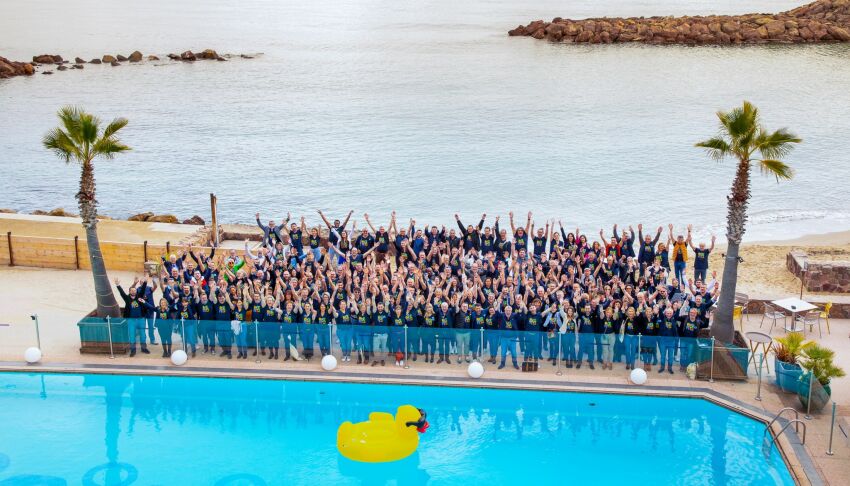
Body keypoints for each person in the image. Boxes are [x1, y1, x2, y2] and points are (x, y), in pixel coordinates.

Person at [116, 278, 150, 357]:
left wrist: (145, 281)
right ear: (129, 292)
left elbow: (143, 289)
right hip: (131, 320)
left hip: (141, 319)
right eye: (131, 290)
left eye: (134, 290)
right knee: (131, 335)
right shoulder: (127, 298)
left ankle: (144, 348)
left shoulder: (139, 297)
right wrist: (118, 285)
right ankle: (133, 350)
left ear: (136, 291)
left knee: (143, 335)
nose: (133, 291)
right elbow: (121, 293)